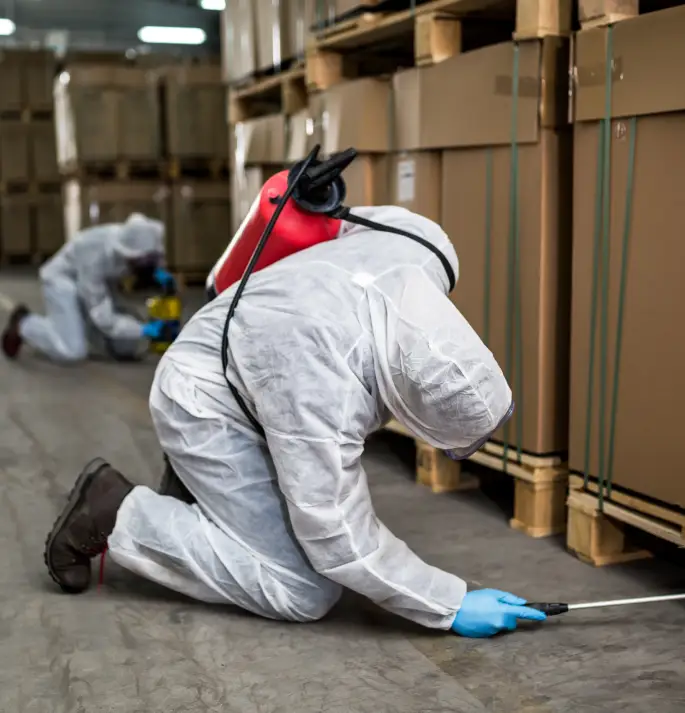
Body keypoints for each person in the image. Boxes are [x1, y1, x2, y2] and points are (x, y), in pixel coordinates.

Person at [44, 206, 547, 638]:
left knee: (293, 529)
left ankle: (203, 494)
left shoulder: (421, 248)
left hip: (244, 354)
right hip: (203, 399)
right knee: (304, 589)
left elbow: (359, 220)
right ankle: (115, 511)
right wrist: (450, 604)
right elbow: (336, 534)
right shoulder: (326, 387)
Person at [2, 213, 174, 363]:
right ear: (128, 253)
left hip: (91, 283)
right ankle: (24, 324)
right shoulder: (95, 257)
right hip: (62, 281)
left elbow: (148, 258)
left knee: (125, 345)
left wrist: (160, 275)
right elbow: (103, 318)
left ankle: (71, 326)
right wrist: (145, 329)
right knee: (72, 351)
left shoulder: (132, 240)